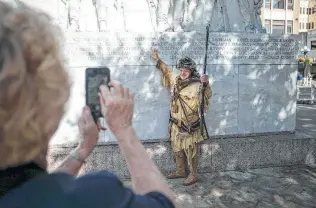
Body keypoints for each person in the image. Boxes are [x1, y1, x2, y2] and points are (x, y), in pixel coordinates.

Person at [0, 2, 175, 207]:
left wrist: (82, 149)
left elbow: (30, 192)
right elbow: (163, 204)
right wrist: (124, 130)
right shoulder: (96, 195)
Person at [152, 49, 212, 186]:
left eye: (186, 70)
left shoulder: (198, 85)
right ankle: (180, 171)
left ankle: (193, 174)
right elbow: (167, 71)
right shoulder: (176, 79)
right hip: (175, 124)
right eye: (181, 70)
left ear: (191, 71)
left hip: (189, 125)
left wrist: (206, 84)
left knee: (191, 151)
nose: (183, 72)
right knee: (177, 148)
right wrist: (158, 59)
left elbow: (207, 96)